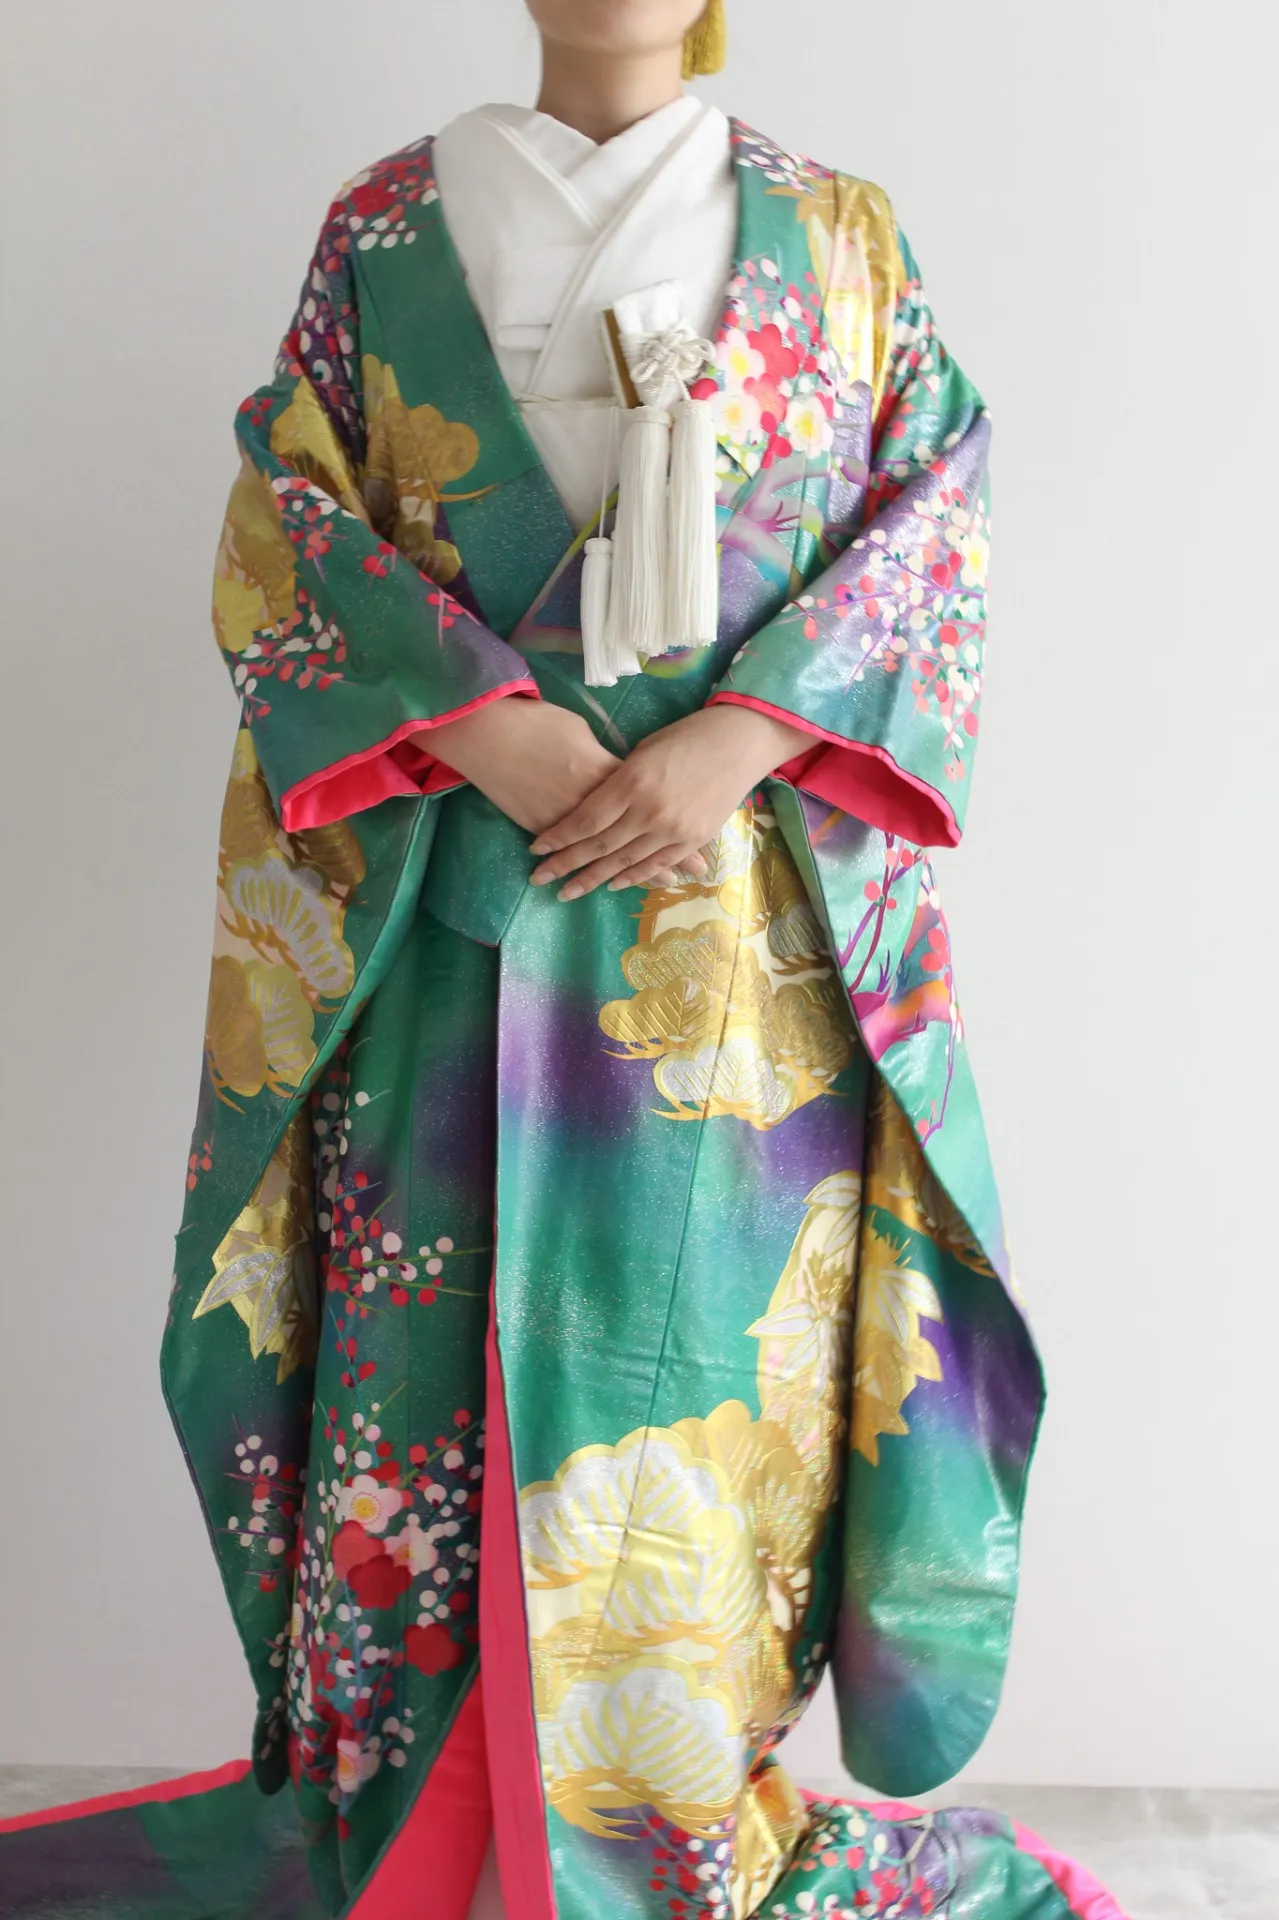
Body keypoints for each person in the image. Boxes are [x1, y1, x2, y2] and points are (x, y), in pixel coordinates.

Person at [0, 5, 1127, 1918]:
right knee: (426, 1359)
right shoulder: (383, 229)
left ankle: (656, 1832)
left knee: (708, 1392)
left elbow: (929, 527)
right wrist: (479, 723)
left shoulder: (842, 234)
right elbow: (286, 521)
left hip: (732, 947)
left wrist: (740, 735)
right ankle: (421, 1839)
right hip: (454, 912)